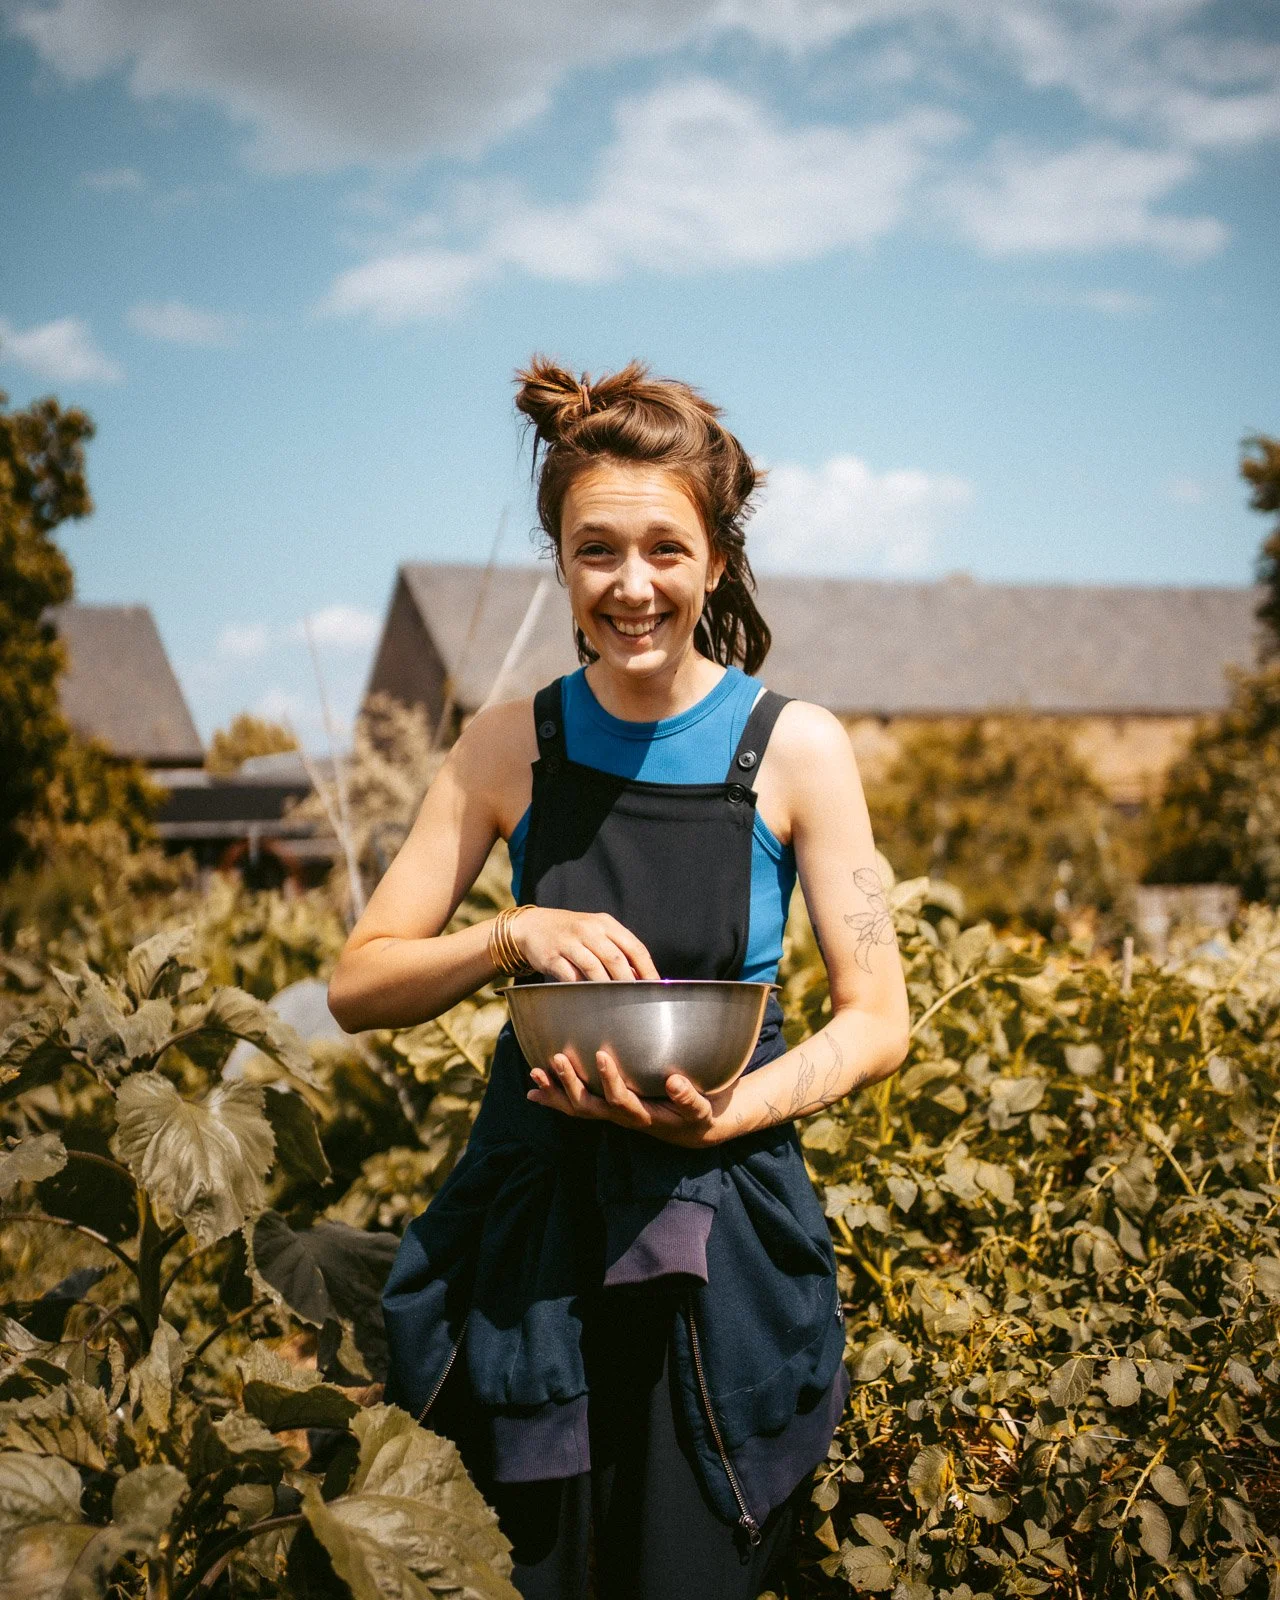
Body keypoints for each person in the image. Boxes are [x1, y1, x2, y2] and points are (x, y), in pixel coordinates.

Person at [327, 358, 910, 1600]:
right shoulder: (507, 745)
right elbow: (356, 982)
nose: (631, 585)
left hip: (717, 1230)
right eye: (597, 551)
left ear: (713, 557)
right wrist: (510, 933)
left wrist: (732, 1111)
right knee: (516, 1569)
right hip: (530, 1231)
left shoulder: (791, 747)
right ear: (560, 560)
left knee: (682, 1568)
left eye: (663, 549)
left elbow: (878, 1018)